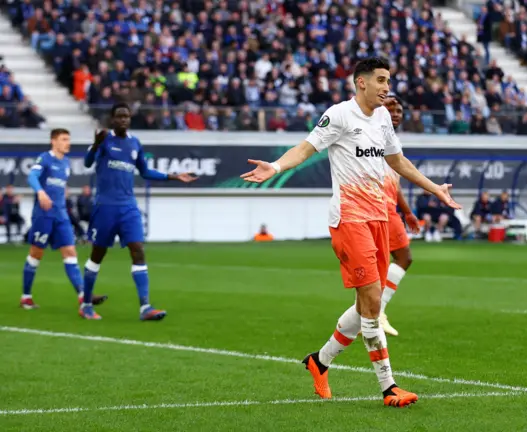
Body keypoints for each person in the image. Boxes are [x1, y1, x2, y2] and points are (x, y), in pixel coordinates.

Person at [241, 57, 460, 407]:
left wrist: (434, 188)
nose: (387, 87)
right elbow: (307, 148)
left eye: (388, 80)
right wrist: (277, 166)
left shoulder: (384, 117)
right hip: (349, 219)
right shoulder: (340, 115)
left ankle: (320, 361)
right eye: (381, 80)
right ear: (361, 82)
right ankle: (389, 388)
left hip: (378, 218)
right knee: (372, 301)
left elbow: (397, 162)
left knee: (363, 306)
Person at [81, 103, 197, 321]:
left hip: (128, 207)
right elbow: (87, 163)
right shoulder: (104, 140)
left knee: (138, 250)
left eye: (127, 116)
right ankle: (86, 304)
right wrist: (95, 145)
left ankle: (145, 307)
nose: (124, 120)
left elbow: (144, 171)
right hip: (105, 207)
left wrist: (173, 176)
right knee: (98, 255)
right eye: (119, 116)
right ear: (112, 119)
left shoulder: (134, 143)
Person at [20, 129, 107, 310]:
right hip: (44, 215)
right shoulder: (44, 158)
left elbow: (59, 187)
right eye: (64, 139)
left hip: (61, 215)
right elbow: (32, 176)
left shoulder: (66, 163)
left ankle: (83, 295)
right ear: (54, 141)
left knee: (70, 252)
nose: (68, 143)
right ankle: (26, 297)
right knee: (36, 254)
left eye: (69, 139)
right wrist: (41, 192)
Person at [379, 95, 421, 337]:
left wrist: (406, 211)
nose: (396, 113)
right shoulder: (376, 134)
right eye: (390, 108)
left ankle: (373, 314)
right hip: (376, 205)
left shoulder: (392, 139)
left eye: (400, 110)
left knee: (392, 260)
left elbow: (394, 181)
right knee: (400, 257)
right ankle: (375, 313)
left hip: (387, 206)